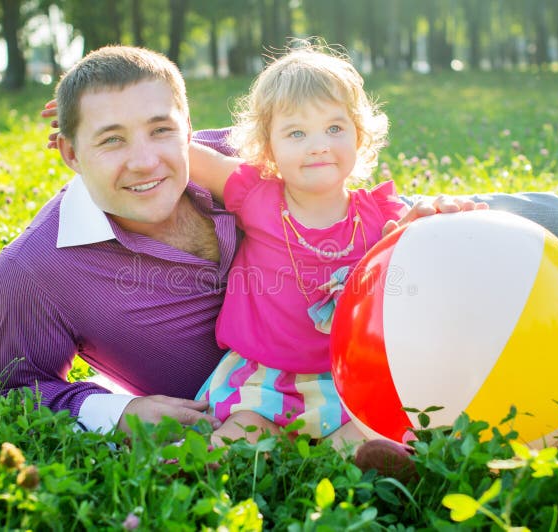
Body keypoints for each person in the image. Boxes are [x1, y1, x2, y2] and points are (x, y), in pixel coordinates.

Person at [0, 44, 558, 458]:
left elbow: (326, 161)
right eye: (109, 141)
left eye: (162, 130)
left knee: (531, 216)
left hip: (374, 271)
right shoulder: (33, 274)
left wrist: (419, 216)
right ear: (66, 152)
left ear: (189, 127)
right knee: (557, 340)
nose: (145, 161)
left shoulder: (232, 155)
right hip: (303, 374)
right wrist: (119, 411)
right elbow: (10, 391)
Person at [185, 45, 487, 476]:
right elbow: (185, 154)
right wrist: (100, 128)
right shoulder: (255, 195)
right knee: (245, 431)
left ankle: (343, 465)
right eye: (296, 133)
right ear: (267, 149)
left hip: (346, 375)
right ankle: (204, 462)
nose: (318, 146)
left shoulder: (378, 214)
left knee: (371, 430)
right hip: (266, 375)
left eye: (334, 128)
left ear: (358, 136)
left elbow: (417, 249)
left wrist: (434, 218)